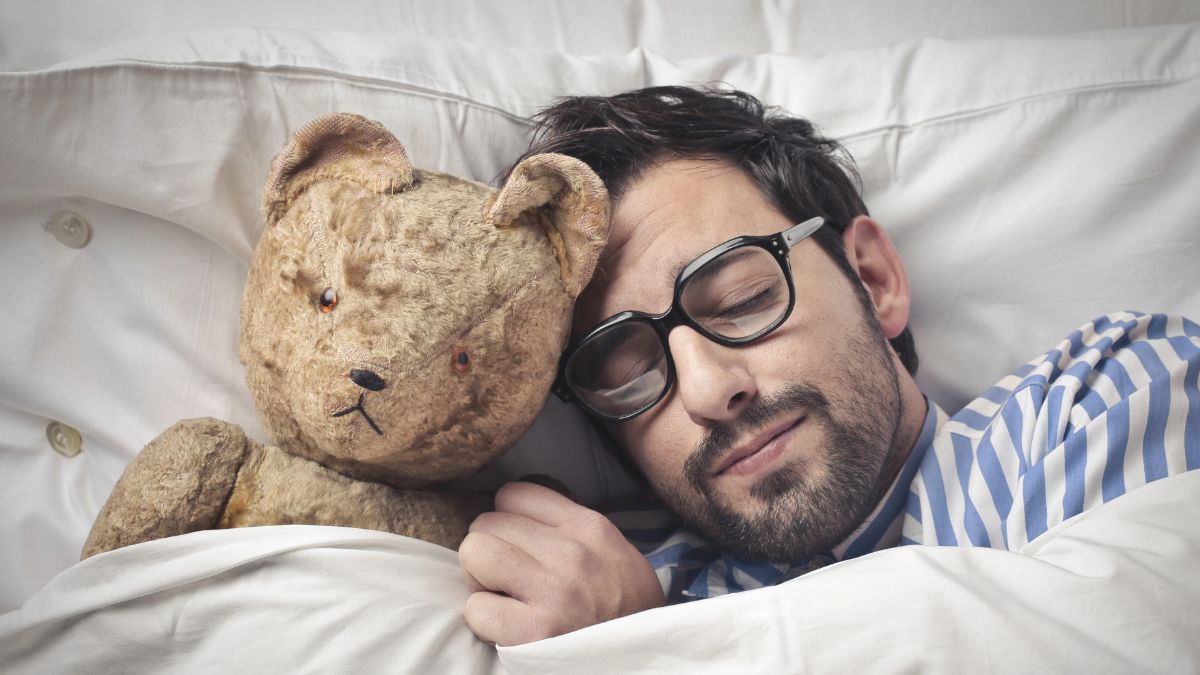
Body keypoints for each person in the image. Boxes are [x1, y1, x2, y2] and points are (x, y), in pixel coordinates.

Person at [456, 85, 1200, 647]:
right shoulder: (615, 585)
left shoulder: (1108, 396)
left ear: (875, 280)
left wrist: (654, 650)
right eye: (627, 370)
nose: (711, 390)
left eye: (742, 299)